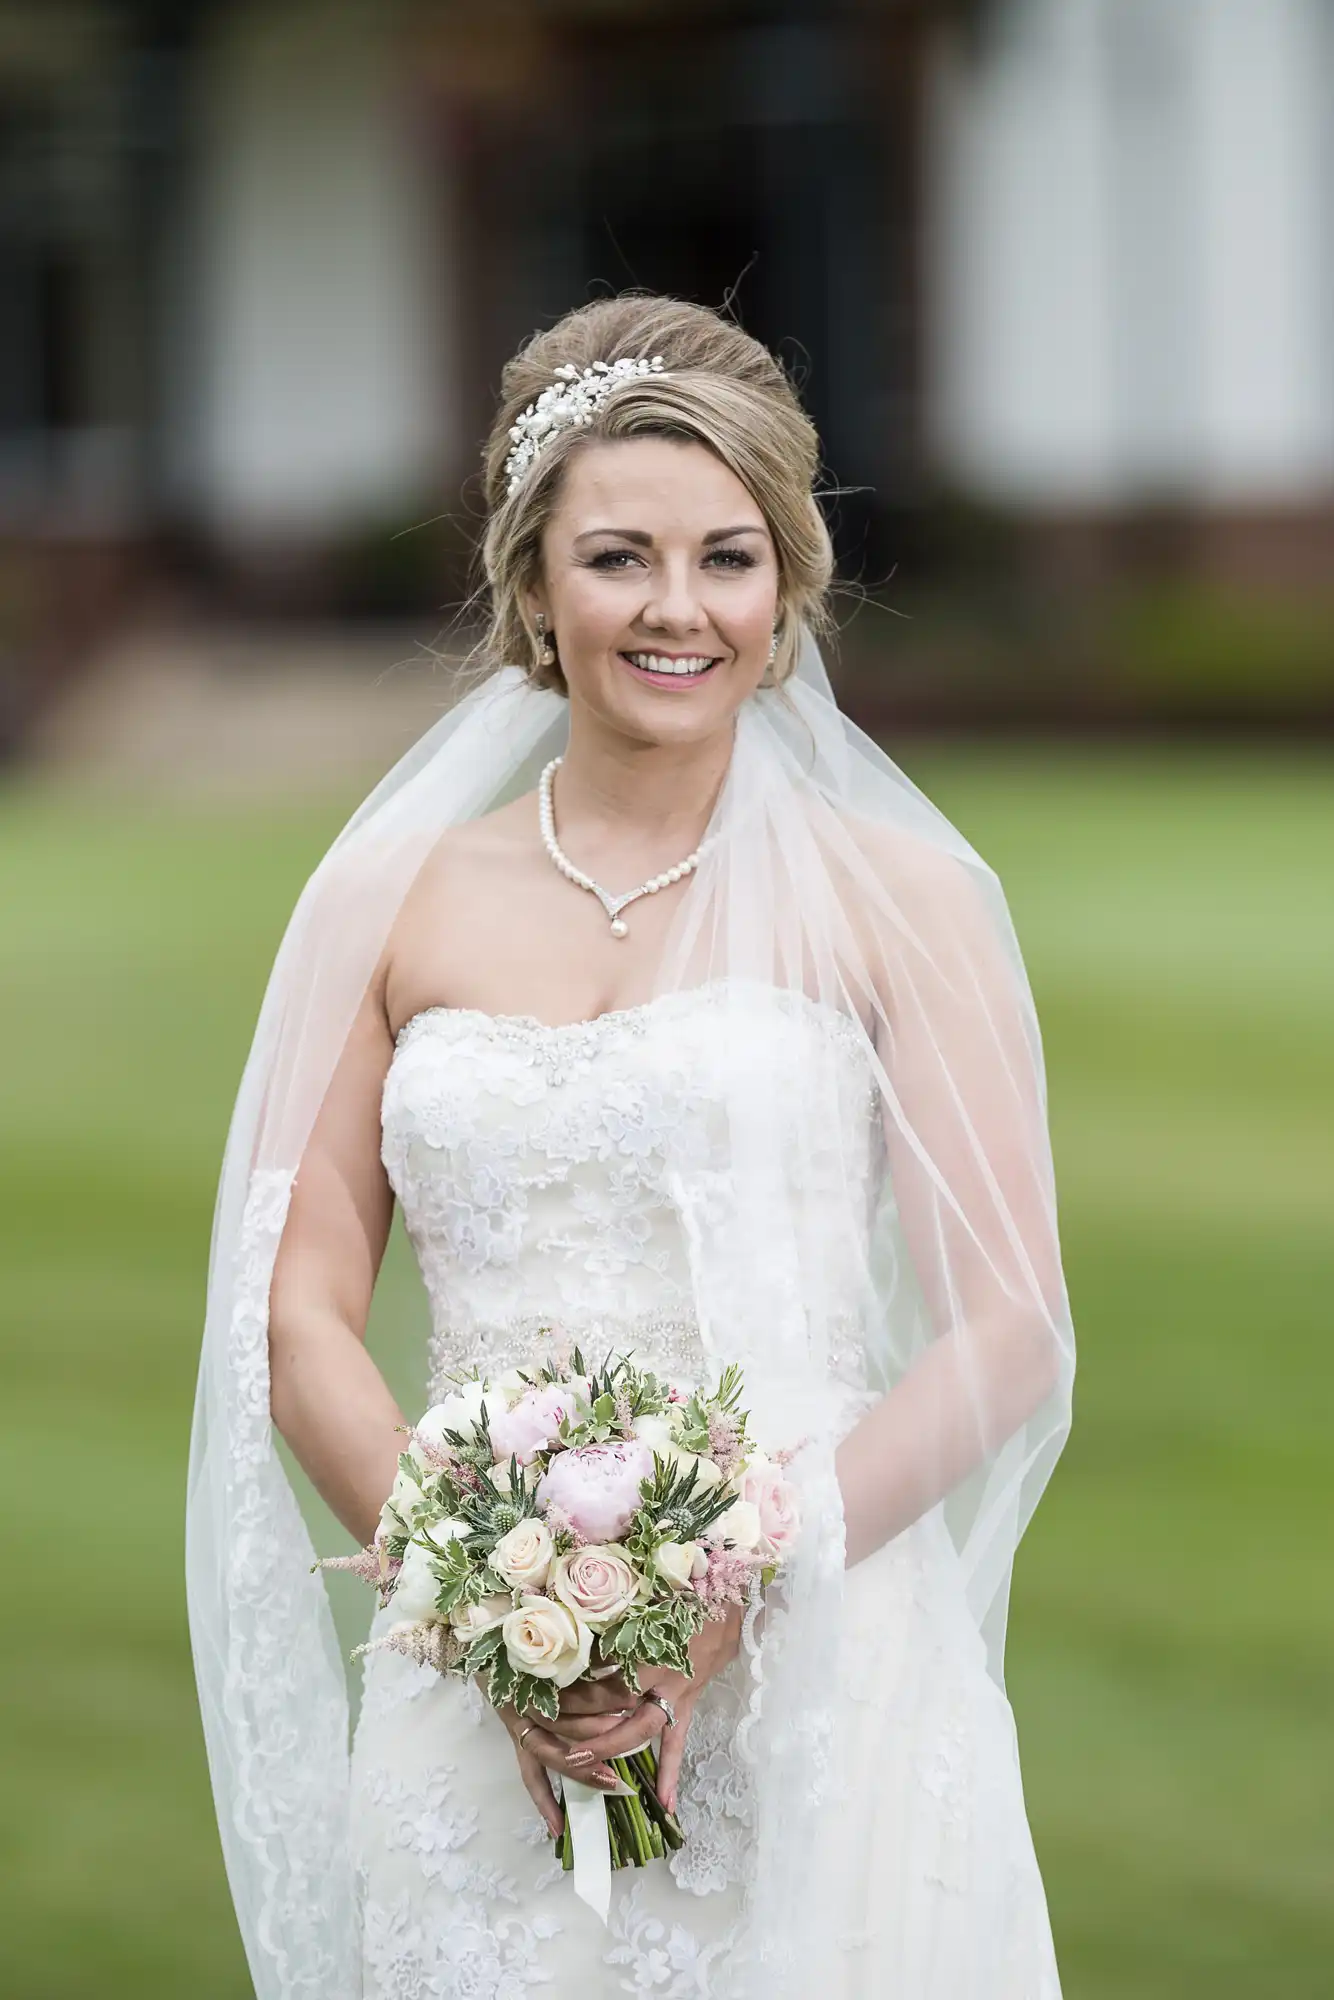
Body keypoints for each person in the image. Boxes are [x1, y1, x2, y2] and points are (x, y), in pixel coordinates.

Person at [187, 294, 1074, 2000]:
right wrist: (501, 1619)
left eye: (727, 559)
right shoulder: (388, 897)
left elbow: (1008, 1328)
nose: (678, 610)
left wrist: (722, 1604)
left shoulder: (902, 902)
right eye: (618, 558)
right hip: (479, 1674)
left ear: (786, 585)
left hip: (823, 1658)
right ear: (531, 584)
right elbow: (300, 1308)